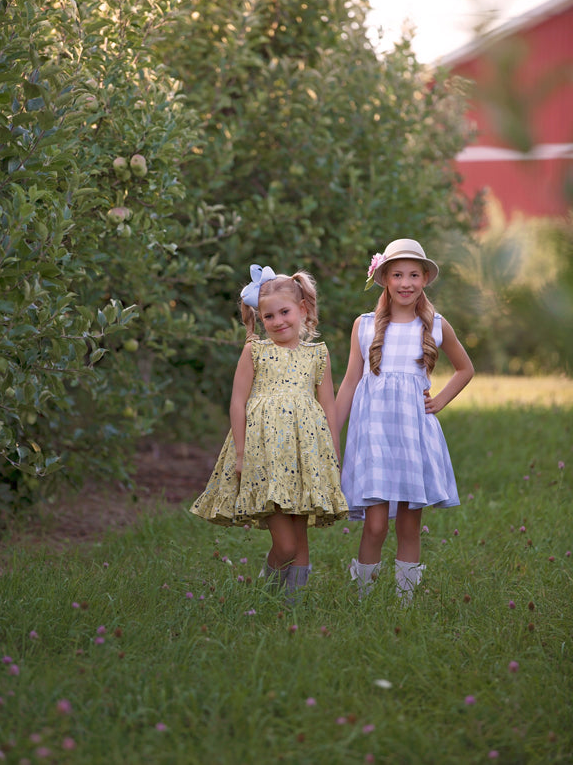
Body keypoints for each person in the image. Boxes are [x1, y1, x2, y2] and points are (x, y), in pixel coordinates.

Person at [191, 263, 348, 603]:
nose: (278, 322)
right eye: (269, 317)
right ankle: (266, 591)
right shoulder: (255, 351)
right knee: (286, 544)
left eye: (285, 312)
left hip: (304, 455)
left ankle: (289, 608)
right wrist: (243, 452)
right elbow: (237, 402)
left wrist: (333, 452)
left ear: (302, 309)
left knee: (301, 542)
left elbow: (328, 405)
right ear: (259, 319)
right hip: (265, 456)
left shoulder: (317, 355)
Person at [336, 239, 474, 603]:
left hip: (413, 436)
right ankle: (363, 599)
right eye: (397, 274)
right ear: (383, 278)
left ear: (426, 278)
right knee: (376, 524)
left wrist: (440, 400)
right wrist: (331, 429)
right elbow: (351, 380)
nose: (406, 283)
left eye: (414, 274)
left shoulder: (436, 325)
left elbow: (465, 368)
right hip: (374, 436)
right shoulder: (364, 326)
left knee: (410, 525)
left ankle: (405, 603)